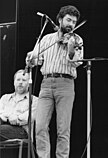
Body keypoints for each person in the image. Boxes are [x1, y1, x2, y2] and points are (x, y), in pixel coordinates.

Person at [25, 5, 84, 158]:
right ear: (60, 20)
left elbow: (77, 62)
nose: (71, 24)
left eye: (74, 22)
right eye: (68, 20)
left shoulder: (77, 39)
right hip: (46, 84)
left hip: (65, 84)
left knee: (63, 129)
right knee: (40, 126)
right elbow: (36, 59)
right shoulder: (47, 39)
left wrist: (70, 50)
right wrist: (31, 58)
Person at [0, 69, 38, 141]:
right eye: (18, 80)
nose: (20, 82)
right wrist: (10, 116)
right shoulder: (5, 98)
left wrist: (16, 118)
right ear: (14, 82)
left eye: (24, 80)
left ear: (29, 84)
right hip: (3, 126)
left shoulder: (34, 100)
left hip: (22, 131)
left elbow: (29, 117)